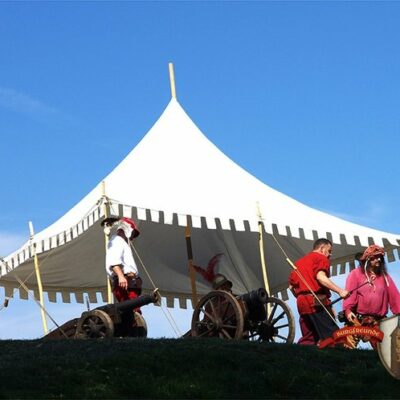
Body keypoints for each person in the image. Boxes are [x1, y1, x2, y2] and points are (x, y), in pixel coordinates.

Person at [288, 238, 349, 345]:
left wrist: (302, 297)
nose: (330, 255)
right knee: (334, 337)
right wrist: (340, 291)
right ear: (322, 248)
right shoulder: (320, 258)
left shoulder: (298, 263)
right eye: (329, 251)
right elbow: (321, 277)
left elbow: (291, 287)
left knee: (309, 338)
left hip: (302, 303)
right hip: (316, 301)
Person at [343, 244, 400, 331]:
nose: (379, 259)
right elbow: (350, 294)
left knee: (386, 343)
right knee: (346, 342)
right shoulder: (356, 274)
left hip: (379, 320)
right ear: (368, 259)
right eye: (376, 257)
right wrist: (348, 310)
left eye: (380, 257)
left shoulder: (385, 277)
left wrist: (399, 313)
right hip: (358, 319)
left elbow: (395, 297)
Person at [102, 217, 143, 306]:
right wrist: (121, 276)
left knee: (133, 312)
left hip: (130, 284)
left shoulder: (122, 243)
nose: (132, 238)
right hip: (124, 284)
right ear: (127, 230)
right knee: (131, 312)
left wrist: (137, 279)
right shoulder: (117, 240)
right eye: (132, 234)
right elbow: (113, 260)